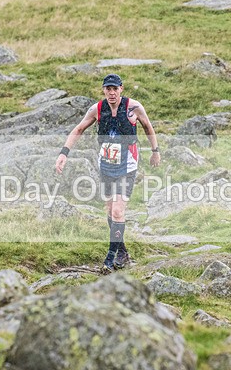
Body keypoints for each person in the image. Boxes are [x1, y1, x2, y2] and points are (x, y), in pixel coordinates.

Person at [55, 73, 161, 273]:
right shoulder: (97, 109)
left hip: (127, 164)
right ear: (104, 90)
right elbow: (78, 130)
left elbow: (148, 127)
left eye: (115, 89)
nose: (111, 93)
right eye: (108, 89)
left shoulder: (134, 107)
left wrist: (155, 151)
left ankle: (109, 259)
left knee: (118, 211)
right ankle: (122, 251)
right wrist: (63, 154)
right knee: (110, 211)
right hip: (105, 165)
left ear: (121, 88)